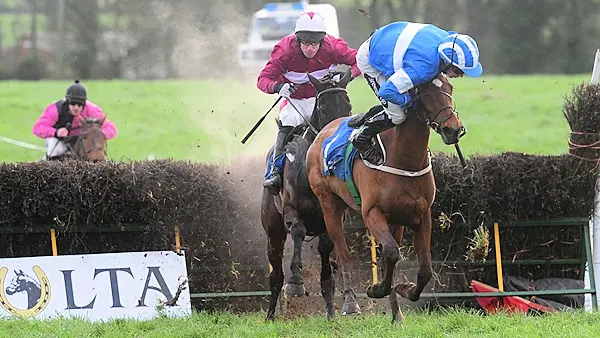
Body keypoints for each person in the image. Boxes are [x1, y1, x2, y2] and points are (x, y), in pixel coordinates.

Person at [257, 11, 361, 195]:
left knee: (340, 127)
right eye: (306, 43)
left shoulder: (334, 47)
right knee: (288, 124)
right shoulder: (284, 50)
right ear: (297, 40)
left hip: (319, 100)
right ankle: (274, 171)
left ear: (322, 40)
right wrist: (278, 86)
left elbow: (361, 61)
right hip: (294, 102)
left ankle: (351, 171)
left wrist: (347, 76)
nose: (310, 49)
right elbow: (263, 79)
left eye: (315, 43)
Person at [352, 21, 484, 165]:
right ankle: (361, 139)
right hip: (371, 59)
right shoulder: (421, 69)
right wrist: (408, 100)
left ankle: (374, 115)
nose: (461, 75)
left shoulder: (448, 41)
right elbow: (387, 91)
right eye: (459, 70)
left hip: (389, 40)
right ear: (446, 62)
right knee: (398, 114)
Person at [32, 80, 117, 160]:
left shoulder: (92, 110)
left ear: (84, 103)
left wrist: (97, 134)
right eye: (73, 103)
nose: (76, 107)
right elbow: (37, 128)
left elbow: (111, 129)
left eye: (79, 104)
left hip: (80, 140)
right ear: (67, 102)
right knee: (57, 150)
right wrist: (56, 132)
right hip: (60, 140)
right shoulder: (55, 110)